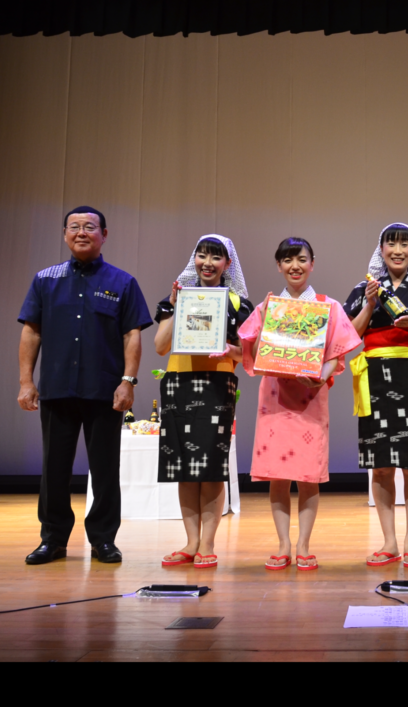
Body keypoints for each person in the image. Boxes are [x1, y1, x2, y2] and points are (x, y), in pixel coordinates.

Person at [17, 206, 152, 565]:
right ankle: (53, 539)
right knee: (54, 469)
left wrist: (127, 381)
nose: (81, 232)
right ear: (64, 234)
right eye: (74, 227)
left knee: (105, 470)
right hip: (57, 389)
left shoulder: (123, 282)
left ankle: (103, 540)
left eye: (90, 227)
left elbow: (132, 335)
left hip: (104, 391)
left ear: (104, 235)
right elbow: (31, 331)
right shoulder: (45, 280)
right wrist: (26, 381)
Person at [238, 237, 361, 571]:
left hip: (311, 397)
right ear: (279, 266)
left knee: (309, 475)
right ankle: (283, 545)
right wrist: (263, 328)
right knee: (277, 476)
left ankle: (304, 545)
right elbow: (253, 350)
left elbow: (337, 352)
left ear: (312, 264)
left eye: (302, 259)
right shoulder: (268, 307)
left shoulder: (328, 306)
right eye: (288, 260)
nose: (295, 266)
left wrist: (319, 378)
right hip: (275, 399)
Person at [346, 223, 408, 568]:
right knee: (381, 467)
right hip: (375, 379)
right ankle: (389, 542)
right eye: (392, 244)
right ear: (381, 250)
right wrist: (369, 304)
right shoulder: (364, 289)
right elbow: (349, 337)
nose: (398, 250)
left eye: (405, 244)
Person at [154, 234, 254, 569]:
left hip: (216, 384)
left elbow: (249, 355)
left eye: (215, 257)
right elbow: (160, 346)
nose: (207, 263)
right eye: (202, 255)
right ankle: (190, 542)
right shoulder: (175, 297)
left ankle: (207, 543)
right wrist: (177, 305)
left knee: (211, 468)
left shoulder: (238, 304)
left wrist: (229, 349)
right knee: (185, 469)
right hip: (178, 381)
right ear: (194, 259)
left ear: (227, 264)